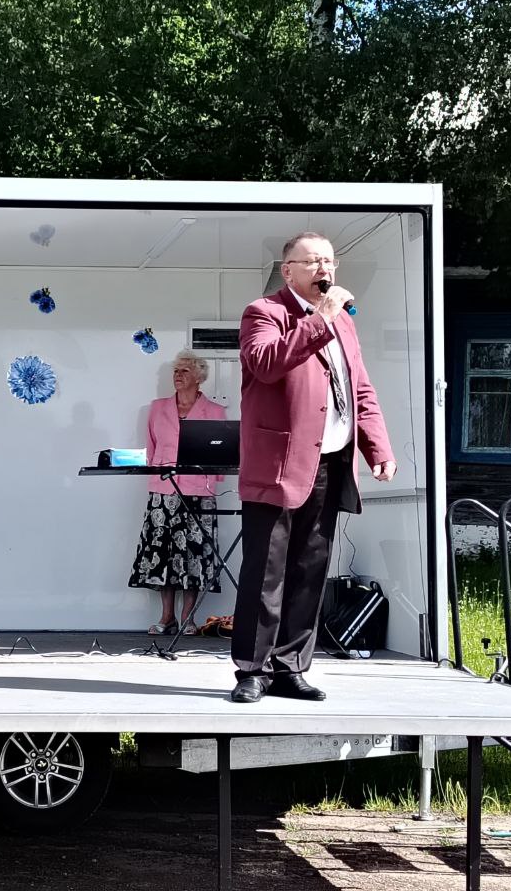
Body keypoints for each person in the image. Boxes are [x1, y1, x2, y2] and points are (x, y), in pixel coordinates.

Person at [230, 232, 396, 703]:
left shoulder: (344, 325)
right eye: (313, 261)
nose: (325, 269)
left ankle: (291, 667)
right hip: (278, 466)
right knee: (266, 572)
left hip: (330, 463)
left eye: (329, 261)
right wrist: (320, 318)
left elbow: (359, 389)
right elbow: (266, 363)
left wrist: (377, 447)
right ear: (288, 271)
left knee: (309, 571)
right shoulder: (264, 313)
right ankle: (253, 670)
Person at [128, 349, 228, 636]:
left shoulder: (215, 412)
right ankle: (167, 617)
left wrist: (212, 479)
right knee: (162, 553)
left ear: (199, 377)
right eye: (176, 371)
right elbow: (151, 447)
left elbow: (222, 453)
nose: (178, 375)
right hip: (163, 490)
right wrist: (153, 474)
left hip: (199, 491)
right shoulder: (157, 408)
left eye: (185, 371)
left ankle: (188, 618)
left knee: (193, 554)